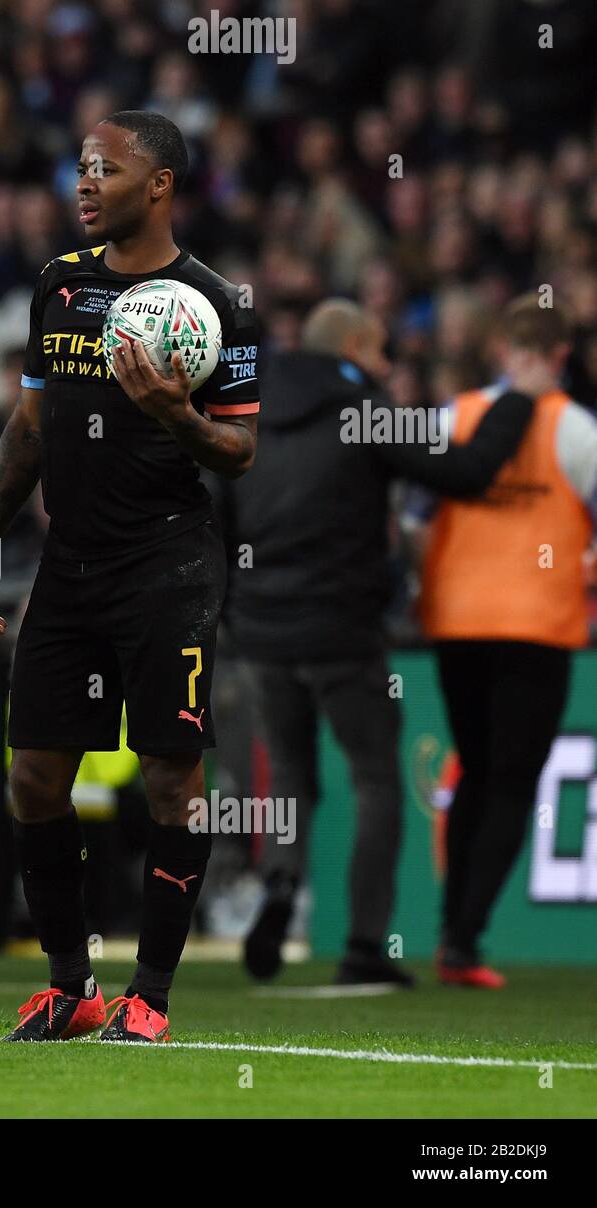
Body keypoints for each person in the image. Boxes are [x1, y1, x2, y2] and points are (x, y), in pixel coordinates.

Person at [0, 111, 260, 1044]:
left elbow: (239, 451)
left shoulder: (216, 305)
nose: (84, 184)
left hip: (166, 566)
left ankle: (152, 996)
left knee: (172, 780)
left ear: (160, 185)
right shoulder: (60, 286)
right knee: (34, 778)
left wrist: (176, 412)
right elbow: (31, 424)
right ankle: (71, 986)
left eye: (106, 169)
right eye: (80, 167)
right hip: (69, 564)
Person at [215, 299, 535, 985]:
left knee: (292, 779)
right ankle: (364, 947)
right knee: (374, 779)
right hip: (340, 631)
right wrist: (518, 403)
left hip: (262, 633)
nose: (389, 369)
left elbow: (215, 515)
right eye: (382, 354)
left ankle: (278, 886)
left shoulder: (246, 413)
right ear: (357, 345)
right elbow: (467, 471)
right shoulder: (364, 411)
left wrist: (234, 611)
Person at [414, 296, 594, 987]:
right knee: (513, 783)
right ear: (559, 357)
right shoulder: (575, 430)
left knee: (479, 774)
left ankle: (451, 930)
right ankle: (462, 938)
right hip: (536, 630)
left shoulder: (453, 417)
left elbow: (416, 514)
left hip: (458, 626)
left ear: (502, 350)